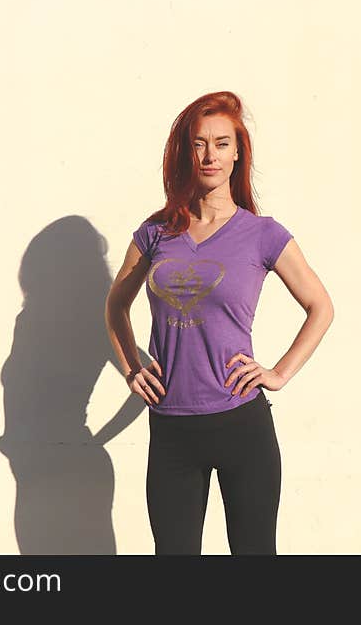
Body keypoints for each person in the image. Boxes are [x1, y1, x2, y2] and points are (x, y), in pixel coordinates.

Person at [104, 91, 334, 555]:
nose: (210, 155)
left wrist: (279, 373)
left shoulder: (263, 234)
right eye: (199, 143)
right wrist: (132, 368)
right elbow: (115, 307)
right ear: (185, 152)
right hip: (172, 430)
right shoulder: (156, 233)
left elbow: (321, 306)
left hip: (241, 427)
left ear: (238, 152)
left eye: (221, 143)